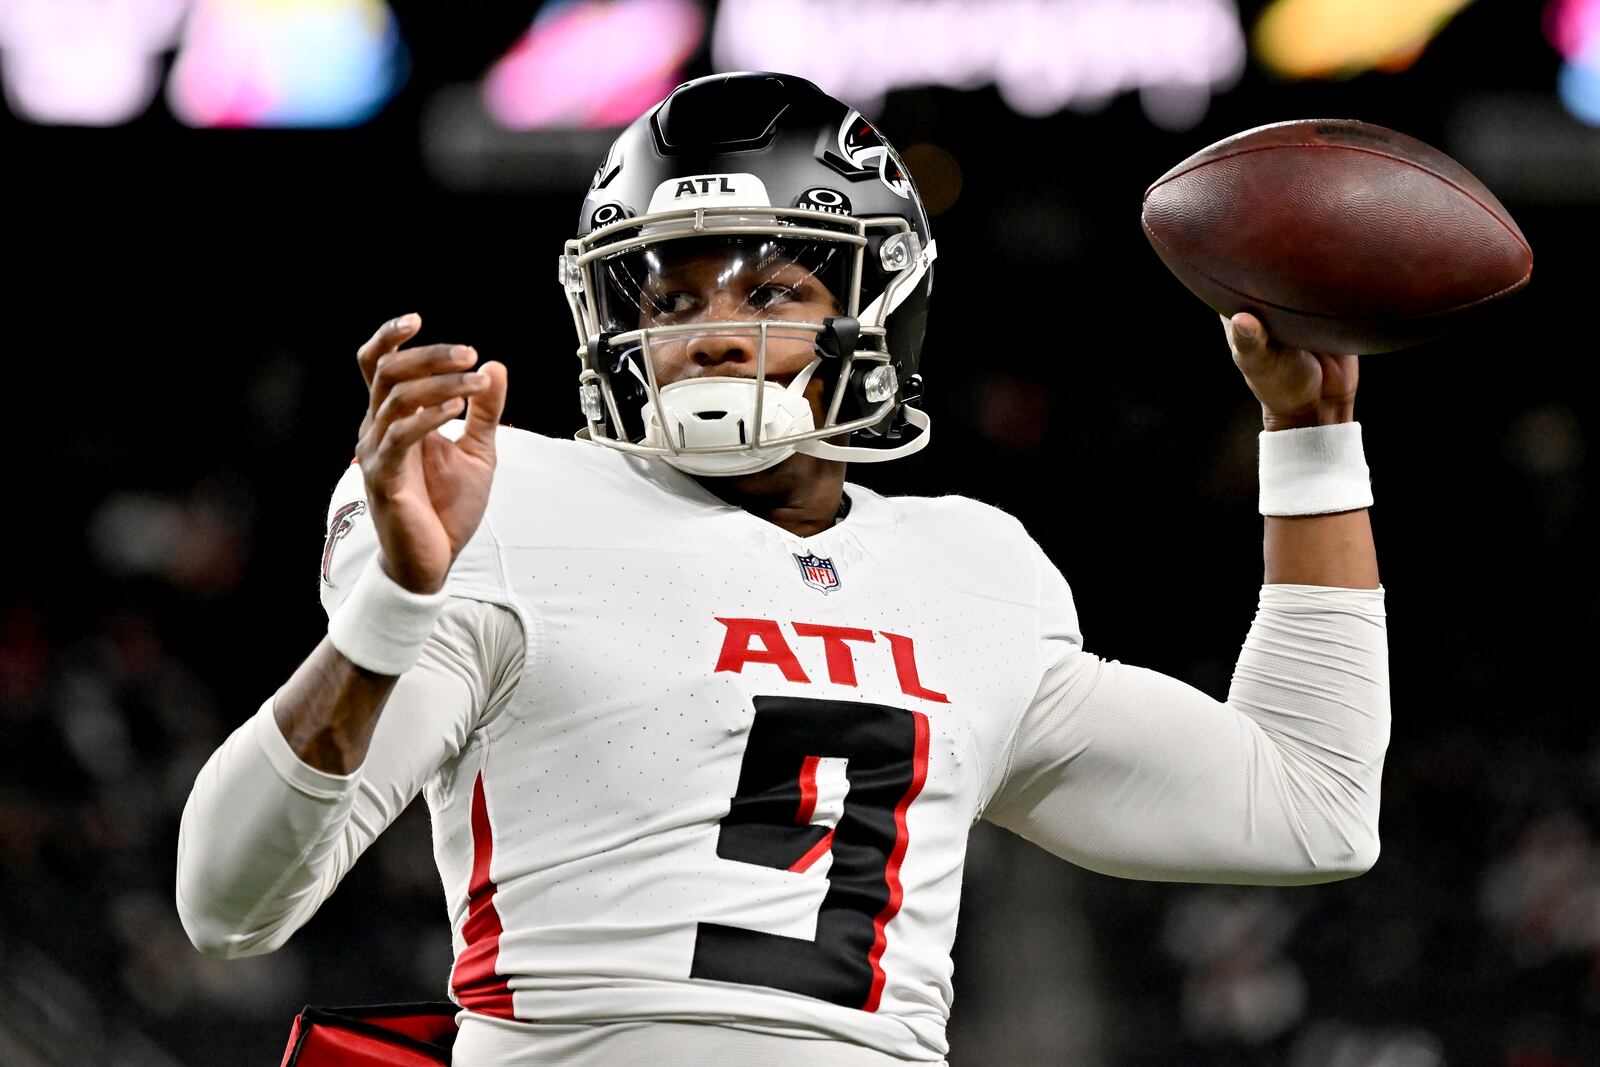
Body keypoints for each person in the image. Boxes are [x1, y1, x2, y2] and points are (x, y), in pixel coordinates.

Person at [175, 71, 1389, 1066]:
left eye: (770, 285)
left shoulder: (972, 566)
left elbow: (1309, 806)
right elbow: (225, 902)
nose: (707, 325)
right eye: (668, 288)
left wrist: (1315, 441)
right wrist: (395, 604)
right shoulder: (510, 499)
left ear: (879, 302)